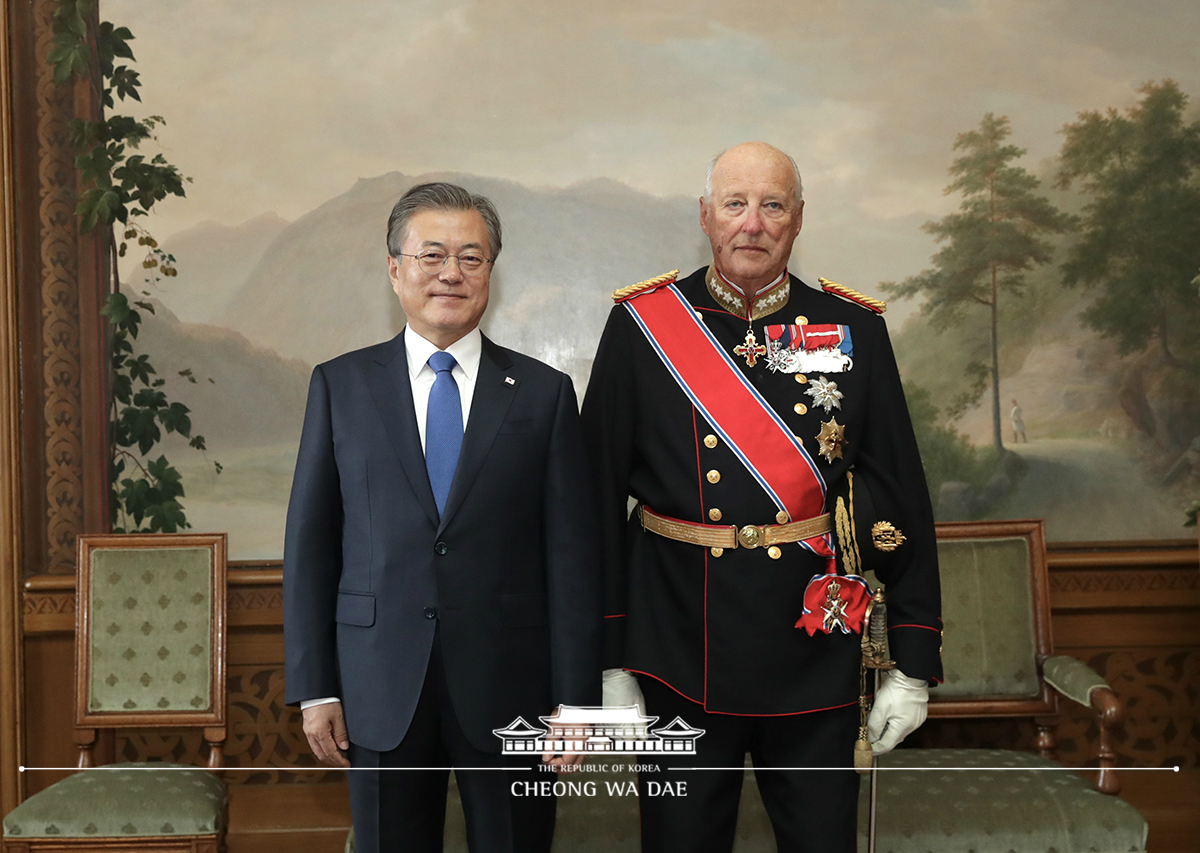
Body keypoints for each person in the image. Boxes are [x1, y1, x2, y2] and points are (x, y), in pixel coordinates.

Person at [581, 142, 943, 852]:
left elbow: (901, 495)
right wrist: (608, 657)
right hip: (678, 647)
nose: (752, 223)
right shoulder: (644, 327)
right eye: (735, 204)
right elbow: (592, 501)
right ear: (706, 216)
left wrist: (914, 662)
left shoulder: (853, 329)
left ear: (798, 219)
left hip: (812, 647)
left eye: (772, 205)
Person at [283, 182, 602, 853]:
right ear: (395, 268)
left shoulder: (543, 396)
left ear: (492, 272)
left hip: (511, 682)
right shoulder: (340, 386)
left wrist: (576, 701)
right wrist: (315, 687)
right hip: (377, 683)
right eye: (432, 255)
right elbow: (311, 547)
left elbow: (572, 560)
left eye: (471, 257)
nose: (450, 273)